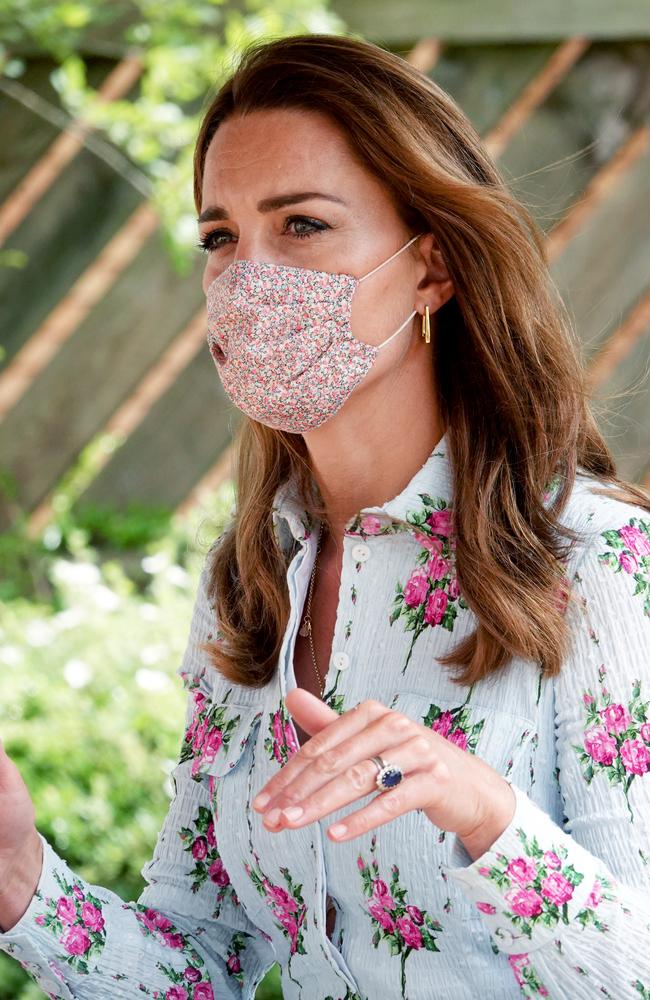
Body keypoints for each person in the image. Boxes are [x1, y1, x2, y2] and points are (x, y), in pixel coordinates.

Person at [1, 31, 649, 1000]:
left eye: (300, 224)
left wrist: (483, 811)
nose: (245, 277)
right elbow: (204, 969)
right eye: (220, 236)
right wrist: (22, 889)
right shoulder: (248, 572)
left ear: (430, 267)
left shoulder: (593, 553)